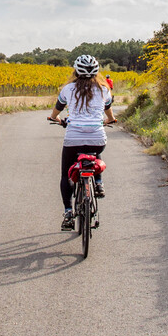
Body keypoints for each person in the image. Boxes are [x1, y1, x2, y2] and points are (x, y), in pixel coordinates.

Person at [48, 54, 116, 230]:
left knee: (66, 175)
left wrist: (55, 118)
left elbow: (57, 110)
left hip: (73, 139)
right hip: (98, 139)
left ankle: (69, 212)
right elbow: (109, 114)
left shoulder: (68, 89)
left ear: (75, 71)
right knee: (94, 145)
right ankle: (99, 183)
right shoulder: (104, 90)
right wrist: (108, 121)